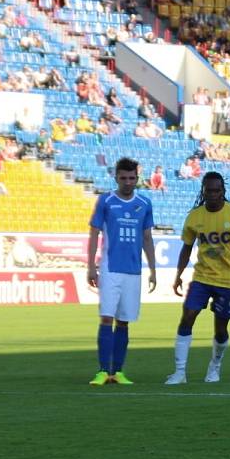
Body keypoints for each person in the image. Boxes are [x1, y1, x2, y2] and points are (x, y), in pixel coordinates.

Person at [164, 172, 230, 384]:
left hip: (228, 280)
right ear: (203, 191)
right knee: (188, 316)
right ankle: (179, 372)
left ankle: (214, 367)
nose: (213, 194)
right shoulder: (195, 217)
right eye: (209, 191)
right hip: (202, 277)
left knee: (221, 328)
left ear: (223, 191)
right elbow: (186, 248)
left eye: (217, 190)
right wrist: (178, 276)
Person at [87, 158, 157, 386]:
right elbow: (94, 234)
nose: (128, 182)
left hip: (134, 271)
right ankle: (101, 371)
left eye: (132, 178)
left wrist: (153, 269)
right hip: (110, 268)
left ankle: (117, 372)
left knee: (124, 321)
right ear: (116, 178)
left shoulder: (145, 203)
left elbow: (147, 238)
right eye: (123, 178)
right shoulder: (106, 200)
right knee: (107, 317)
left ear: (137, 179)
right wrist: (91, 266)